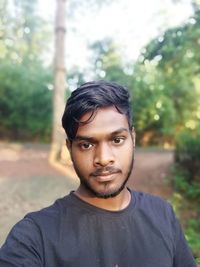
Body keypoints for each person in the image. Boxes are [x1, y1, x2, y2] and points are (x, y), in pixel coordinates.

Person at [0, 80, 197, 267]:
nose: (103, 158)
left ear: (133, 139)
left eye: (117, 140)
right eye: (86, 144)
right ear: (70, 148)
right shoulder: (35, 236)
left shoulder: (163, 214)